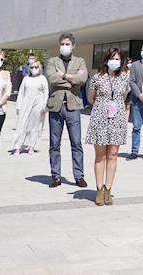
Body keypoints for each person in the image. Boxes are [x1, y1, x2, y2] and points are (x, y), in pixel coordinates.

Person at [85, 47, 132, 206]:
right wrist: (102, 106)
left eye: (118, 59)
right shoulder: (97, 77)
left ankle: (108, 189)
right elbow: (90, 97)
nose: (115, 62)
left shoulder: (125, 78)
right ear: (106, 60)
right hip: (100, 118)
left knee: (113, 154)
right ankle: (99, 188)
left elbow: (124, 97)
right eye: (113, 58)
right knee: (100, 155)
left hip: (117, 119)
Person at [44, 33, 88, 188]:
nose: (64, 46)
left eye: (67, 44)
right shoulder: (52, 61)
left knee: (76, 143)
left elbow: (82, 79)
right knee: (54, 143)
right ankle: (56, 176)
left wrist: (63, 75)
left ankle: (79, 176)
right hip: (56, 106)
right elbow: (51, 78)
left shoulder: (80, 61)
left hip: (73, 107)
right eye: (62, 44)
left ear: (73, 45)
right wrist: (71, 81)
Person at [9, 56, 48, 154]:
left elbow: (46, 93)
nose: (34, 69)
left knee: (35, 126)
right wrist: (18, 106)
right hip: (26, 104)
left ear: (39, 68)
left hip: (38, 105)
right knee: (21, 125)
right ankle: (17, 146)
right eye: (32, 67)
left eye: (36, 67)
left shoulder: (42, 79)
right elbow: (21, 93)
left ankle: (31, 146)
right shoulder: (26, 79)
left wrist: (44, 106)